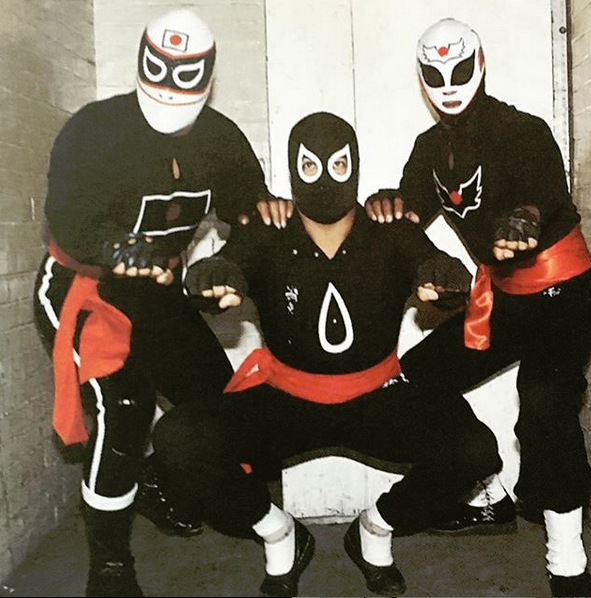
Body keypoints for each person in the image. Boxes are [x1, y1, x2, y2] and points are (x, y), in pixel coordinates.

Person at [151, 111, 503, 597]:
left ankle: (374, 531)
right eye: (310, 167)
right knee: (178, 440)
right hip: (286, 400)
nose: (324, 180)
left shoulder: (388, 229)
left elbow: (430, 262)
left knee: (474, 449)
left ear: (355, 165)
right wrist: (212, 279)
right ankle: (280, 535)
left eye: (338, 166)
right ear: (293, 170)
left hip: (376, 397)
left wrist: (444, 280)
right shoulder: (269, 230)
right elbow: (229, 264)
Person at [32, 9, 290, 597]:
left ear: (207, 77)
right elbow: (66, 217)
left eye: (186, 74)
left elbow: (251, 212)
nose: (171, 88)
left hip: (156, 293)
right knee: (125, 405)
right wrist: (112, 246)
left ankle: (156, 481)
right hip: (83, 289)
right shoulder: (95, 128)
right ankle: (109, 567)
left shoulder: (219, 138)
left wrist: (235, 252)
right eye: (161, 70)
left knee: (219, 407)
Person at [365, 17, 591, 598]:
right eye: (435, 74)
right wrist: (395, 218)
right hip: (505, 297)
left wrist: (526, 218)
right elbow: (407, 219)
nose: (448, 85)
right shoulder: (428, 149)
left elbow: (543, 192)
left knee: (543, 399)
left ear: (482, 64)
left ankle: (567, 560)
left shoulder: (523, 130)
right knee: (414, 377)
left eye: (459, 70)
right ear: (421, 77)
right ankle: (484, 487)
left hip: (566, 290)